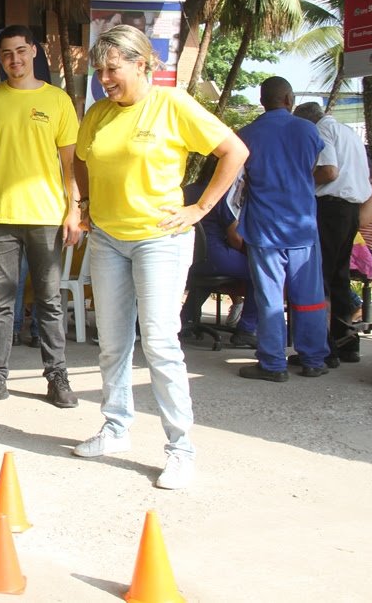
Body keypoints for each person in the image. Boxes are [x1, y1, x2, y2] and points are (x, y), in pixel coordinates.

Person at [71, 25, 248, 491]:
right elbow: (80, 160)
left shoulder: (172, 104)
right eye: (99, 70)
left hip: (159, 239)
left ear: (142, 63)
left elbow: (234, 150)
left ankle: (180, 449)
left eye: (113, 69)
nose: (104, 78)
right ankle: (115, 428)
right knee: (112, 342)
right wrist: (86, 207)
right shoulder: (98, 114)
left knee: (160, 343)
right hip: (108, 238)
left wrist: (200, 208)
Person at [0, 24, 81, 409]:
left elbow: (70, 164)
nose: (14, 59)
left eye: (21, 51)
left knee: (49, 300)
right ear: (0, 57)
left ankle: (57, 377)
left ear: (33, 52)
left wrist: (74, 210)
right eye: (6, 53)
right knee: (1, 302)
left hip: (47, 216)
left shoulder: (58, 100)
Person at [236, 78, 329, 383]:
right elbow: (316, 167)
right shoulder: (307, 129)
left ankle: (273, 364)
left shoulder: (247, 135)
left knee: (269, 297)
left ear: (262, 101)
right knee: (309, 295)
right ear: (289, 98)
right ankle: (313, 358)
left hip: (264, 227)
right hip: (302, 225)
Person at [293, 102, 371, 365]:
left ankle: (323, 349)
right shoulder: (347, 132)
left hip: (329, 208)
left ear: (307, 122)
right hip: (350, 210)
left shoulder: (320, 131)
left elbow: (328, 171)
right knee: (339, 277)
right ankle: (346, 342)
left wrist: (300, 177)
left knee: (321, 278)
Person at [179, 156, 257, 347]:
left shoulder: (184, 192)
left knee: (205, 274)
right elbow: (235, 238)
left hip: (185, 257)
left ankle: (186, 320)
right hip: (214, 256)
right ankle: (246, 329)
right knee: (262, 274)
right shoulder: (220, 195)